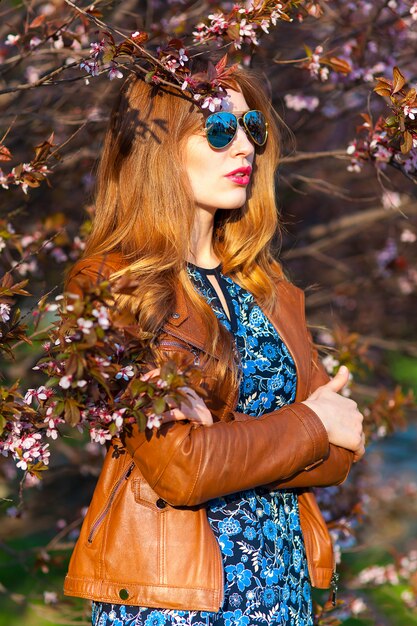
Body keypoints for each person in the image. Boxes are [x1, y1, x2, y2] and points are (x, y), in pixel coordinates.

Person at [63, 64, 365, 626]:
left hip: (281, 595)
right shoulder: (115, 286)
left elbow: (344, 451)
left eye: (251, 126)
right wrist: (309, 426)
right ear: (159, 149)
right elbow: (181, 469)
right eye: (219, 130)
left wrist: (230, 446)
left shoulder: (267, 290)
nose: (245, 145)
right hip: (178, 605)